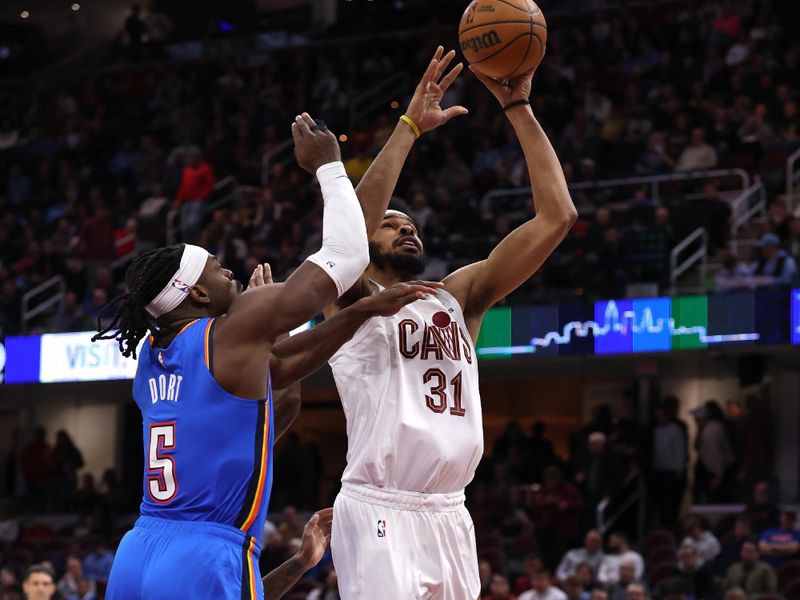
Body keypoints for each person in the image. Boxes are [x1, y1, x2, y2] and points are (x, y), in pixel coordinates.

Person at [275, 47, 577, 599]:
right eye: (392, 225)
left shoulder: (458, 297)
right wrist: (410, 127)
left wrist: (518, 108)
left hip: (450, 511)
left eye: (411, 224)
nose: (405, 229)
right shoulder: (350, 298)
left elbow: (557, 217)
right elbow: (348, 233)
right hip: (380, 503)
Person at [96, 114, 429, 600]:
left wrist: (354, 313)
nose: (228, 270)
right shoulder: (229, 331)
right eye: (214, 268)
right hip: (207, 551)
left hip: (139, 550)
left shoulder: (152, 355)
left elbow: (282, 386)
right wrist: (329, 168)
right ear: (198, 295)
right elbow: (345, 256)